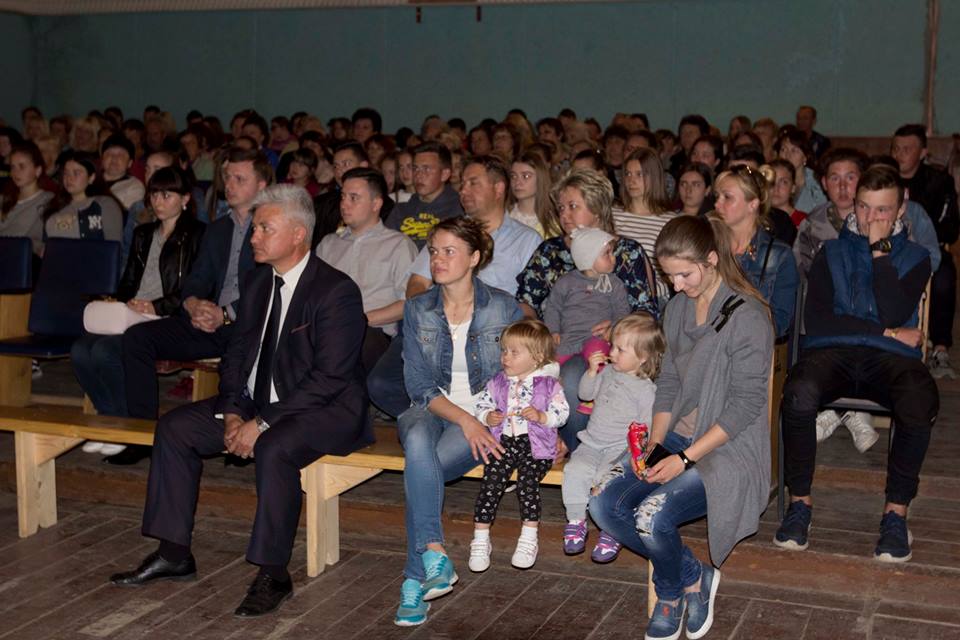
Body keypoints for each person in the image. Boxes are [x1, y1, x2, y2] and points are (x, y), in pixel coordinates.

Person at [110, 184, 371, 619]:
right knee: (175, 428)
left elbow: (329, 379)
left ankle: (274, 573)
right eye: (254, 228)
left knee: (273, 446)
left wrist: (261, 423)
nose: (253, 237)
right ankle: (173, 553)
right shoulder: (256, 282)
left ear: (298, 235)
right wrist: (233, 410)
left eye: (265, 228)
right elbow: (236, 353)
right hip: (259, 404)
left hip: (325, 410)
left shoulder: (335, 290)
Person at [590, 215, 773, 640]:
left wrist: (684, 459)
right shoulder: (676, 308)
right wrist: (655, 444)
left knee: (651, 516)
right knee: (602, 502)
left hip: (727, 447)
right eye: (669, 276)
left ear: (711, 259)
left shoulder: (748, 316)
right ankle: (692, 575)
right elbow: (669, 381)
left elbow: (746, 405)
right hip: (677, 435)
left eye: (684, 275)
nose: (675, 285)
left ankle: (669, 593)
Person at [776, 165, 936, 564]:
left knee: (919, 398)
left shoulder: (917, 258)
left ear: (901, 210)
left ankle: (896, 514)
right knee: (798, 393)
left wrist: (881, 253)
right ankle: (800, 504)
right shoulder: (831, 252)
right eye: (864, 207)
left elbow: (894, 307)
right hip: (833, 352)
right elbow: (819, 322)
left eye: (882, 210)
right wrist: (888, 332)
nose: (870, 218)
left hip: (892, 361)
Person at [393, 216, 523, 627]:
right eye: (434, 251)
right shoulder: (417, 308)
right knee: (417, 438)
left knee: (421, 467)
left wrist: (487, 420)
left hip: (487, 414)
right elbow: (418, 385)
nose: (438, 259)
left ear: (475, 257)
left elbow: (526, 370)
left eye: (450, 251)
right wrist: (465, 420)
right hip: (432, 409)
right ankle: (434, 554)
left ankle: (416, 576)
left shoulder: (503, 306)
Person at [121, 147, 269, 435]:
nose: (230, 185)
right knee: (137, 338)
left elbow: (269, 286)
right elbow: (197, 278)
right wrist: (192, 304)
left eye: (240, 179)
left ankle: (236, 430)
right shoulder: (217, 229)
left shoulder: (271, 229)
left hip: (248, 325)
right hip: (208, 321)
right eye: (228, 177)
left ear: (261, 185)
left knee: (241, 352)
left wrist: (225, 314)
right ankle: (141, 431)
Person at [516, 168, 657, 451]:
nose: (564, 215)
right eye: (561, 208)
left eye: (573, 206)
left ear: (598, 210)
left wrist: (618, 328)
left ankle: (581, 450)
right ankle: (550, 445)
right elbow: (525, 302)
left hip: (610, 347)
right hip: (559, 339)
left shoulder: (625, 252)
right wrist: (541, 333)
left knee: (572, 377)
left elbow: (646, 311)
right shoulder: (550, 252)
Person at [73, 166, 205, 455]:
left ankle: (125, 426)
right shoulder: (143, 233)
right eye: (154, 195)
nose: (158, 202)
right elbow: (129, 281)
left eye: (167, 195)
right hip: (133, 314)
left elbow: (195, 287)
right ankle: (109, 419)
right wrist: (120, 301)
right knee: (80, 350)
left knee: (105, 351)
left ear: (185, 199)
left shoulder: (198, 234)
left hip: (167, 315)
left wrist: (156, 305)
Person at [562, 313, 663, 564]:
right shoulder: (607, 371)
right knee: (574, 470)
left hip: (619, 448)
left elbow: (646, 426)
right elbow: (585, 394)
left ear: (643, 357)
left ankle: (612, 530)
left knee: (605, 480)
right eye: (613, 346)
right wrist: (591, 372)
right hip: (591, 442)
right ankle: (576, 520)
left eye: (620, 349)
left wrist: (638, 455)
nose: (612, 353)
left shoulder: (646, 389)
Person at [468, 319, 569, 572]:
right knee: (491, 479)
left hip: (536, 445)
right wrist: (487, 416)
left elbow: (562, 413)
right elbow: (481, 404)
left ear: (537, 357)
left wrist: (543, 417)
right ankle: (480, 538)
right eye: (504, 350)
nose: (506, 357)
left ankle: (529, 537)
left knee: (527, 481)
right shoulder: (498, 382)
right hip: (504, 441)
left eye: (514, 352)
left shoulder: (549, 385)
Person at [316, 167, 417, 375]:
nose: (344, 204)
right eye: (343, 197)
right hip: (326, 329)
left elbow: (410, 302)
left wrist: (360, 319)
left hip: (372, 332)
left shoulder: (398, 245)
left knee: (351, 344)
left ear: (376, 204)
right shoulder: (328, 244)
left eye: (354, 198)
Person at [892, 124, 960, 378]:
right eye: (896, 148)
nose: (900, 154)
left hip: (930, 250)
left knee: (944, 278)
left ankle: (940, 347)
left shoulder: (940, 181)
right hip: (891, 251)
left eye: (907, 149)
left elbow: (950, 228)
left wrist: (921, 239)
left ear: (923, 153)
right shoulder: (885, 177)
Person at [713, 165, 799, 339]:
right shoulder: (708, 246)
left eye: (727, 197)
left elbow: (779, 323)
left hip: (750, 344)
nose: (717, 204)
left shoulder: (778, 255)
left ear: (752, 204)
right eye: (717, 197)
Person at [542, 227, 631, 364]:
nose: (614, 257)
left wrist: (613, 326)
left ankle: (600, 377)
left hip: (597, 337)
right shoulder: (565, 282)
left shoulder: (614, 283)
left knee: (598, 358)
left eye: (612, 252)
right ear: (588, 258)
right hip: (568, 338)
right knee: (549, 364)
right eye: (607, 253)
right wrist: (553, 331)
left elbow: (622, 310)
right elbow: (553, 308)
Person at [613, 148, 678, 306]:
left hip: (652, 298)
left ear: (654, 178)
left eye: (639, 174)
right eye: (628, 174)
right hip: (612, 296)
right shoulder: (611, 214)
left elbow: (672, 270)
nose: (631, 180)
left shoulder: (669, 221)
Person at [385, 141, 464, 248]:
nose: (419, 175)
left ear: (444, 174)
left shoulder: (460, 208)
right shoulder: (401, 210)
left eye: (426, 169)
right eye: (415, 168)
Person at [44, 151, 123, 242]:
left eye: (76, 173)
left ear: (91, 177)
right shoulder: (54, 205)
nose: (69, 178)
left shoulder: (105, 204)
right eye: (66, 173)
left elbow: (114, 245)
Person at [310, 141, 371, 247]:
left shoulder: (379, 204)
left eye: (346, 164)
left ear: (363, 166)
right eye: (335, 166)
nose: (339, 170)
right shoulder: (321, 203)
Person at [0, 141, 53, 256]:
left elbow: (41, 242)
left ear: (37, 170)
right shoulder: (3, 199)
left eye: (22, 166)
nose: (15, 172)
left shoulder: (47, 201)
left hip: (20, 258)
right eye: (12, 167)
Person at [508, 152, 561, 238]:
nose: (517, 182)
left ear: (540, 179)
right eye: (513, 176)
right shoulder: (504, 216)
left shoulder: (555, 221)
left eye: (526, 176)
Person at [774, 127, 827, 213]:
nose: (787, 155)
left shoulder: (816, 184)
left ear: (805, 157)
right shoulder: (771, 177)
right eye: (783, 150)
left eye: (794, 150)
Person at [100, 134, 145, 211]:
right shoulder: (89, 180)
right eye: (109, 154)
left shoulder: (135, 186)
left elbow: (126, 214)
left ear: (130, 163)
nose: (114, 158)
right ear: (102, 159)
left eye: (120, 155)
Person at [769, 158, 807, 227]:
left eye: (784, 182)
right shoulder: (757, 218)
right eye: (772, 182)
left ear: (793, 188)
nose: (776, 188)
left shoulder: (804, 222)